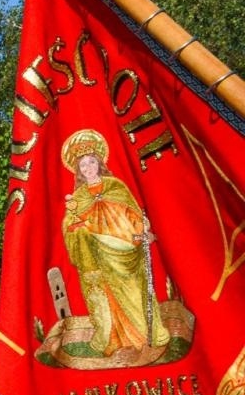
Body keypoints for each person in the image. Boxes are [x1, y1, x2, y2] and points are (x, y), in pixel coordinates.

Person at [59, 128, 169, 358]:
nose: (88, 167)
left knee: (134, 292)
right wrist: (78, 227)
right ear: (78, 170)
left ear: (99, 163)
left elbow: (134, 214)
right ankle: (116, 341)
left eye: (91, 162)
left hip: (125, 250)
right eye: (83, 165)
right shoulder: (78, 198)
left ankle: (146, 337)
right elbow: (69, 226)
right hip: (96, 257)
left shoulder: (116, 187)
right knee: (106, 297)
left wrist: (141, 229)